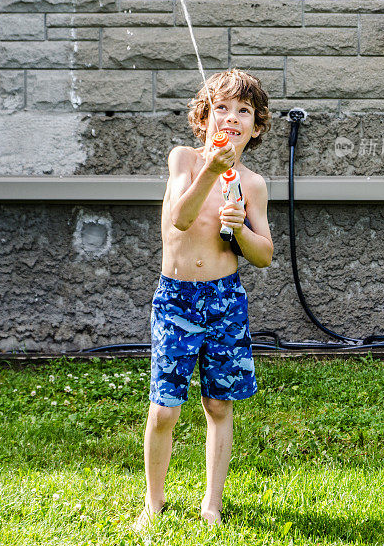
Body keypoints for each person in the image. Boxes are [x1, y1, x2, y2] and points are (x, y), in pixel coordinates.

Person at [133, 69, 273, 532]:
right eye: (223, 108)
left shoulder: (251, 185)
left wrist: (239, 230)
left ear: (256, 126)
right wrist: (211, 169)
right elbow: (178, 218)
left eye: (244, 111)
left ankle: (211, 503)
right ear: (205, 116)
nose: (232, 117)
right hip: (176, 298)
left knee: (218, 404)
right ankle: (154, 502)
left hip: (224, 298)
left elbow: (265, 255)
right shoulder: (186, 161)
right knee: (165, 407)